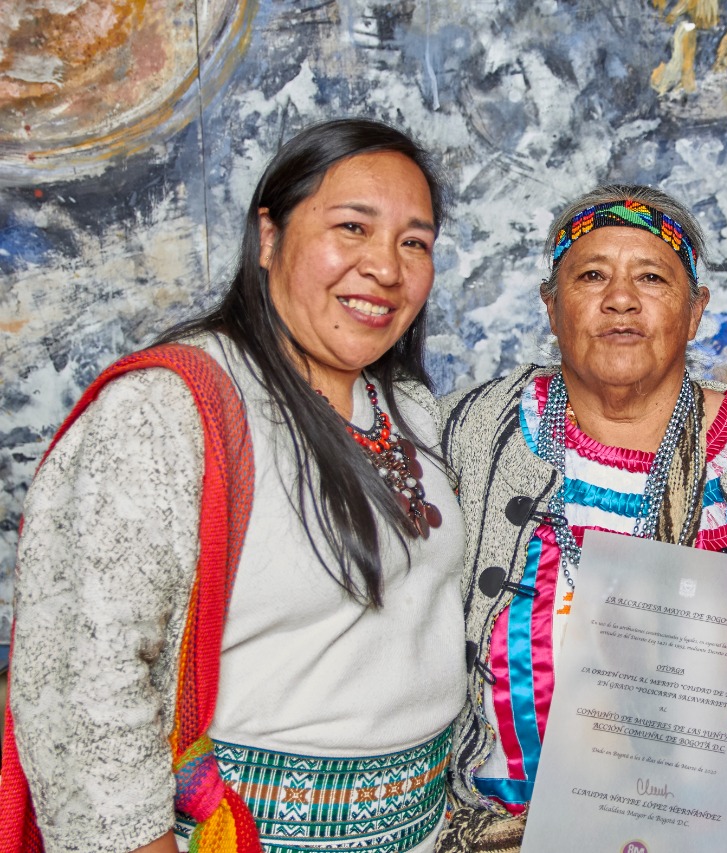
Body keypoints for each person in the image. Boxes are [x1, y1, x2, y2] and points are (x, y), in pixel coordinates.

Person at [2, 118, 466, 853]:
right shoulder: (172, 408)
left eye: (415, 241)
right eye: (352, 227)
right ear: (269, 237)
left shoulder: (408, 405)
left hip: (424, 832)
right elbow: (85, 692)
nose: (386, 266)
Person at [434, 186, 727, 852]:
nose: (621, 299)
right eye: (592, 274)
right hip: (503, 831)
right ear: (552, 305)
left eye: (652, 276)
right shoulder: (472, 431)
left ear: (696, 312)